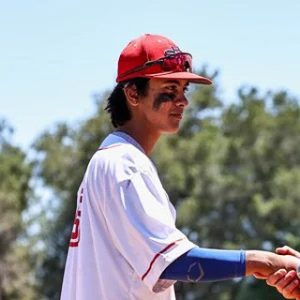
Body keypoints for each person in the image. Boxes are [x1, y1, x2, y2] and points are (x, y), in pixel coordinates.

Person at [60, 33, 300, 300]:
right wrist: (260, 261)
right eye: (169, 90)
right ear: (132, 94)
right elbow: (172, 263)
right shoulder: (124, 163)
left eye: (183, 90)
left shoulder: (110, 160)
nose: (182, 101)